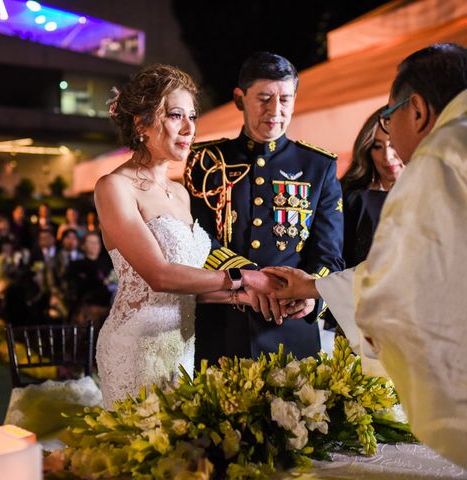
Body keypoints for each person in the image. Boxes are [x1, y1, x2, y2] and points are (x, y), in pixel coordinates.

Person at [265, 43, 467, 468]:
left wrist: (325, 292)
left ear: (417, 110)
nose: (389, 137)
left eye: (388, 118)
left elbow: (404, 279)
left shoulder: (443, 155)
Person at [95, 64, 280, 408]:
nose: (189, 128)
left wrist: (249, 294)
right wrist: (243, 277)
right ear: (141, 123)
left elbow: (192, 283)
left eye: (192, 116)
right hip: (136, 345)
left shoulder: (181, 193)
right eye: (176, 115)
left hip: (181, 344)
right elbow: (160, 275)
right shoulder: (114, 187)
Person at [185, 52, 345, 367]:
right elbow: (196, 237)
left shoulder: (318, 166)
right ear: (239, 99)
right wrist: (250, 277)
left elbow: (329, 253)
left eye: (285, 99)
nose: (275, 111)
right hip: (221, 327)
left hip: (291, 331)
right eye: (264, 99)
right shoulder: (206, 161)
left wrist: (311, 299)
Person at [339, 108, 404, 267]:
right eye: (377, 146)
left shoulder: (434, 191)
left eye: (393, 145)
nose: (387, 157)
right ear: (367, 150)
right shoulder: (352, 200)